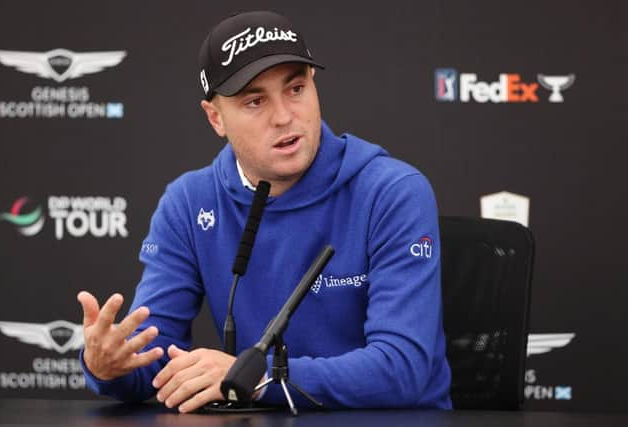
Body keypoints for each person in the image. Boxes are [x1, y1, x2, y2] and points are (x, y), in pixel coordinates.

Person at [78, 10, 452, 413]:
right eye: (255, 101)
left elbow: (403, 369)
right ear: (215, 117)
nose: (284, 116)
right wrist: (108, 366)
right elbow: (151, 357)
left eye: (295, 89)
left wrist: (256, 377)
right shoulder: (189, 202)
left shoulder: (392, 192)